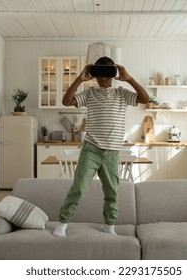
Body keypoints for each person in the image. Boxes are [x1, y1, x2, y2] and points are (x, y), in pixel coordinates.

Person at [53, 56, 149, 238]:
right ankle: (63, 223)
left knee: (112, 192)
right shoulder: (89, 94)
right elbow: (67, 101)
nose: (103, 77)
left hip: (112, 152)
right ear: (95, 74)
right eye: (99, 72)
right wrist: (80, 78)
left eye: (107, 72)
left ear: (113, 74)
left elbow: (145, 98)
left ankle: (109, 227)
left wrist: (128, 78)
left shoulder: (122, 93)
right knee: (78, 188)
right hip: (91, 149)